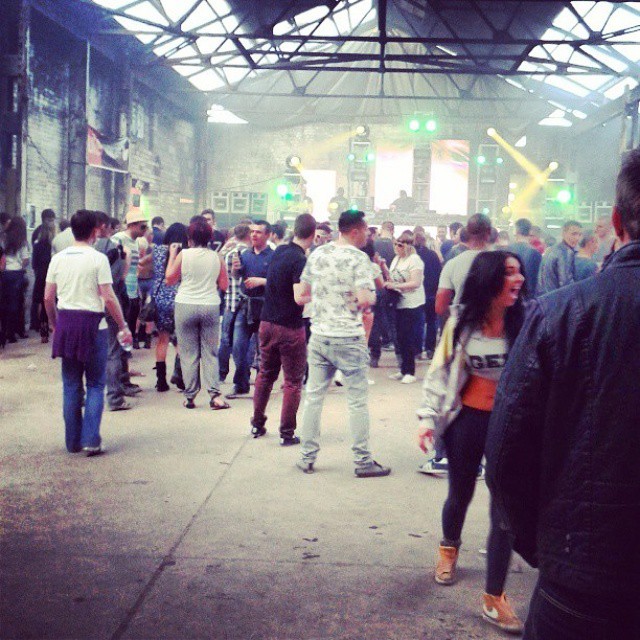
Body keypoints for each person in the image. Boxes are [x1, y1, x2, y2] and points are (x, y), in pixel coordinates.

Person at [485, 149, 640, 639]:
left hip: (583, 580)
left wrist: (546, 546)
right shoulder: (555, 313)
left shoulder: (558, 315)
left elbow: (506, 452)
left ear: (616, 221)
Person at [418, 250, 527, 634]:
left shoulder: (527, 321)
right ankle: (448, 548)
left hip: (510, 426)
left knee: (504, 508)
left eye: (519, 272)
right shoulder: (461, 324)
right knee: (460, 493)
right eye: (509, 273)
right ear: (488, 280)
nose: (518, 279)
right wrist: (427, 419)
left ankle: (494, 597)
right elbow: (440, 371)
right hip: (467, 421)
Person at [295, 210, 391, 478]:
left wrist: (326, 298)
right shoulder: (359, 259)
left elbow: (302, 293)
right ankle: (363, 461)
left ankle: (307, 457)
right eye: (366, 231)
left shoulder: (318, 254)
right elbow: (365, 298)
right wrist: (368, 297)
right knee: (357, 401)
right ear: (355, 231)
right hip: (349, 337)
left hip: (320, 335)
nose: (368, 236)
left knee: (313, 398)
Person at [44, 209, 132, 455]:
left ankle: (72, 442)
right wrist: (123, 325)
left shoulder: (58, 259)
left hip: (67, 323)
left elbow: (48, 297)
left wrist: (54, 324)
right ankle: (91, 439)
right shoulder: (98, 259)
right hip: (94, 326)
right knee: (95, 384)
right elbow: (109, 297)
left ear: (72, 230)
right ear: (95, 231)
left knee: (71, 384)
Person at [250, 214, 317, 443]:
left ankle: (257, 424)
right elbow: (299, 297)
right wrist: (318, 293)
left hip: (267, 323)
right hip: (290, 327)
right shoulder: (300, 260)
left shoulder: (279, 251)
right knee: (292, 382)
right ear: (312, 234)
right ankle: (286, 433)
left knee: (265, 375)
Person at [165, 218, 229, 409]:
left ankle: (190, 396)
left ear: (189, 237)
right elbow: (224, 285)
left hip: (185, 304)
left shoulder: (183, 255)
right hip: (210, 305)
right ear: (210, 237)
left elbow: (169, 279)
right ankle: (215, 395)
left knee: (188, 353)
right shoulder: (217, 257)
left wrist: (172, 255)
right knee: (210, 352)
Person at [227, 220, 274, 399]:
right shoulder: (245, 254)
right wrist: (235, 269)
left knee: (264, 350)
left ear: (267, 235)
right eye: (252, 232)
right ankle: (241, 384)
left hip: (265, 307)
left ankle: (263, 386)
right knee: (238, 346)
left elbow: (279, 282)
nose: (254, 235)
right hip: (245, 306)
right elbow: (236, 276)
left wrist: (261, 281)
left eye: (259, 232)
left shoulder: (274, 256)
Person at [94, 212, 136, 412]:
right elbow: (119, 279)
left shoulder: (78, 251)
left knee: (87, 351)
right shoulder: (114, 249)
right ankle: (114, 398)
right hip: (110, 302)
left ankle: (84, 395)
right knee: (112, 351)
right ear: (105, 226)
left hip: (85, 306)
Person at [151, 223, 188, 393]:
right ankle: (180, 375)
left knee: (162, 340)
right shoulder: (186, 254)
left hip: (160, 299)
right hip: (180, 298)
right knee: (181, 340)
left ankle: (161, 381)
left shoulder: (158, 251)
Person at [385, 231, 425, 384]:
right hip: (398, 302)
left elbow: (416, 283)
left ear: (408, 246)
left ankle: (410, 371)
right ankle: (403, 368)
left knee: (407, 337)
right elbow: (391, 276)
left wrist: (396, 285)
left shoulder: (414, 260)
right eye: (395, 244)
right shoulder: (396, 259)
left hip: (411, 303)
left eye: (400, 245)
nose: (396, 247)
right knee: (400, 337)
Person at [436, 213, 492, 315]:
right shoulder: (503, 262)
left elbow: (440, 307)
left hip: (462, 320)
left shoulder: (452, 264)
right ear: (489, 232)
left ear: (467, 232)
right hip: (491, 321)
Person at [219, 224, 251, 385]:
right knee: (243, 343)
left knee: (226, 340)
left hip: (229, 300)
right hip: (244, 303)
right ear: (248, 235)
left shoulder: (227, 252)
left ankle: (221, 373)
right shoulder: (247, 253)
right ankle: (243, 376)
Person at [112, 211, 149, 340]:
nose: (145, 230)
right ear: (132, 225)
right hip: (122, 290)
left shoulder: (136, 242)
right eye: (142, 227)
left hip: (133, 290)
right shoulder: (118, 239)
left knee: (130, 327)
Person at [0, 216, 30, 343]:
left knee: (4, 303)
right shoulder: (22, 241)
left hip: (4, 273)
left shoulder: (3, 238)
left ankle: (4, 332)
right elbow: (25, 259)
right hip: (17, 274)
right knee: (15, 304)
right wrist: (21, 267)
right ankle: (12, 333)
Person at [414, 231, 442, 359]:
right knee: (432, 322)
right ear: (425, 241)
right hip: (431, 293)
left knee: (418, 323)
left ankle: (417, 350)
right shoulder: (432, 255)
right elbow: (439, 273)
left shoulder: (413, 256)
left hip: (416, 294)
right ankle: (430, 349)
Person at [537, 220, 582, 295]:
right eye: (573, 234)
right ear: (564, 233)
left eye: (579, 235)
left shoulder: (551, 249)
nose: (577, 238)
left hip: (543, 297)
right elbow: (566, 283)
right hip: (555, 298)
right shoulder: (565, 252)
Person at [31, 212, 56, 340]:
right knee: (52, 299)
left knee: (42, 300)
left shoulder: (36, 237)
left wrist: (36, 270)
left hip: (41, 272)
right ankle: (53, 326)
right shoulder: (54, 239)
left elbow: (34, 258)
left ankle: (43, 328)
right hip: (51, 272)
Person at [508, 218, 542, 297]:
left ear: (516, 231)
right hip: (528, 296)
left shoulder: (507, 250)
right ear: (530, 231)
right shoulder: (536, 253)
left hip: (509, 294)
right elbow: (537, 281)